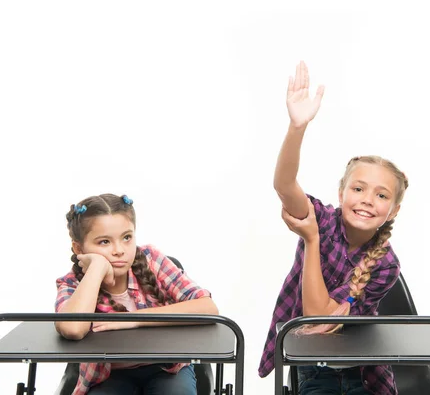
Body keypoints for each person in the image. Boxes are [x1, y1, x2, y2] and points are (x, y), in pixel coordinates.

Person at [258, 61, 409, 395]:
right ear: (341, 194)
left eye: (381, 195)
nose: (368, 199)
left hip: (363, 370)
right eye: (358, 189)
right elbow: (284, 185)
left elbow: (323, 319)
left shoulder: (385, 264)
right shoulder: (322, 221)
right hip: (312, 364)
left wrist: (309, 239)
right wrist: (297, 127)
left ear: (394, 209)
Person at [55, 193, 218, 395]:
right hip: (108, 375)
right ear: (78, 248)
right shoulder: (72, 282)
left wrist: (133, 320)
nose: (119, 250)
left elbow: (208, 308)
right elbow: (72, 329)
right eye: (104, 242)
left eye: (126, 238)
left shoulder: (151, 260)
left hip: (166, 368)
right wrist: (96, 268)